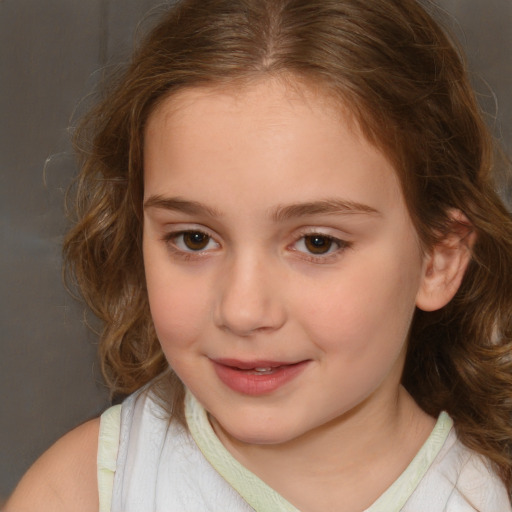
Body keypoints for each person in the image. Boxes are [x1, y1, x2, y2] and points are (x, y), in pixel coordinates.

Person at [5, 0, 512, 510]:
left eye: (318, 243)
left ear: (438, 260)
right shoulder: (81, 492)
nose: (243, 310)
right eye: (194, 239)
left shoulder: (483, 497)